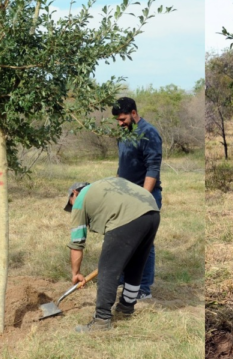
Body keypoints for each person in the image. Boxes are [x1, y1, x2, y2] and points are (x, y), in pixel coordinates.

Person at [64, 177, 160, 332]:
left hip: (127, 218)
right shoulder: (103, 186)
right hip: (152, 211)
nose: (72, 208)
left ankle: (101, 320)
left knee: (107, 269)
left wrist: (76, 273)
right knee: (135, 264)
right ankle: (126, 307)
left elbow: (77, 243)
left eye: (70, 203)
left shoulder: (80, 200)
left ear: (74, 193)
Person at [111, 97, 162, 300]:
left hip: (145, 196)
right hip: (124, 195)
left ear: (134, 113)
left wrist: (142, 198)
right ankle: (124, 280)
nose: (120, 123)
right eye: (118, 120)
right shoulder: (124, 133)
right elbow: (122, 164)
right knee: (124, 239)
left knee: (144, 243)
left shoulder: (149, 133)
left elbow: (153, 168)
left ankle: (143, 289)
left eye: (123, 118)